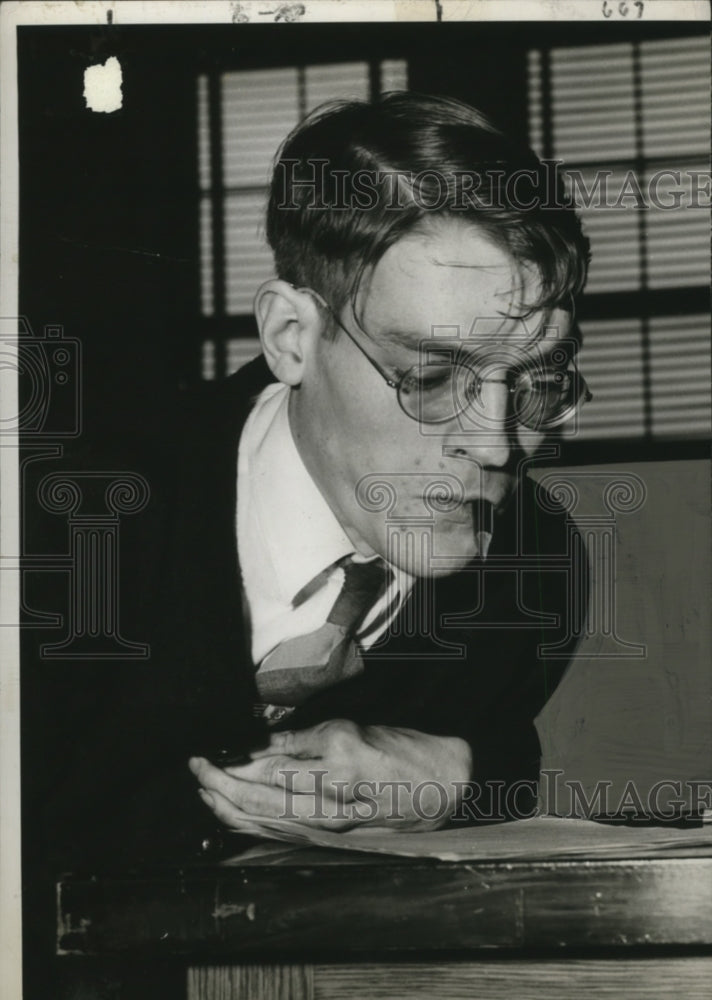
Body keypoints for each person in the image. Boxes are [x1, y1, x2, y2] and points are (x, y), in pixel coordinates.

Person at [175, 93, 592, 839]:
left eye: (536, 383)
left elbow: (482, 749)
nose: (496, 446)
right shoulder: (65, 508)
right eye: (430, 380)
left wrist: (462, 777)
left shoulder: (538, 553)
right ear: (291, 337)